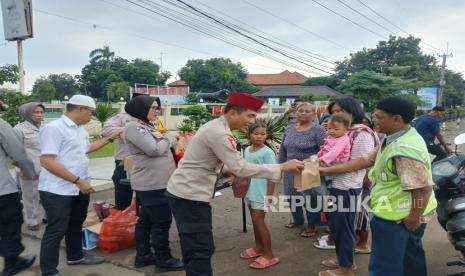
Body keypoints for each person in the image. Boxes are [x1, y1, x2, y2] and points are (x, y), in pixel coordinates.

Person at [166, 92, 304, 276]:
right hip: (190, 197)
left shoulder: (215, 127)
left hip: (187, 193)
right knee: (200, 249)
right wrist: (282, 166)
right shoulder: (219, 133)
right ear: (232, 113)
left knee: (198, 246)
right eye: (250, 116)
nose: (252, 121)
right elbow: (241, 168)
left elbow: (209, 162)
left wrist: (228, 170)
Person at [38, 95, 122, 276]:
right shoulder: (54, 129)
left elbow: (87, 149)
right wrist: (77, 180)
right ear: (79, 109)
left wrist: (110, 138)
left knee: (76, 223)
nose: (91, 116)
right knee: (56, 229)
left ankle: (75, 256)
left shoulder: (80, 130)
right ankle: (48, 270)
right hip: (57, 189)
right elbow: (47, 161)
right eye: (90, 112)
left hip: (79, 187)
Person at [369, 96, 437, 276]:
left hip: (397, 216)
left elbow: (421, 188)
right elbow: (367, 160)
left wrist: (414, 217)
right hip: (403, 213)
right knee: (411, 258)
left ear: (396, 118)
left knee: (384, 266)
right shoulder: (400, 136)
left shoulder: (404, 148)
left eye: (378, 116)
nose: (374, 120)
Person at [317, 97, 378, 276]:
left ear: (353, 112)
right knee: (338, 226)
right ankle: (344, 259)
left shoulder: (362, 133)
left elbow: (361, 162)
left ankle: (346, 269)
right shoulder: (345, 132)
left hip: (348, 187)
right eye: (334, 112)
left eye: (340, 111)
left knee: (344, 228)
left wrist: (326, 170)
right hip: (338, 185)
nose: (336, 115)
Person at [124, 95, 184, 272]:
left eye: (158, 108)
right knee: (161, 222)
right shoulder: (134, 127)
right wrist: (171, 138)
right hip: (153, 184)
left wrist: (165, 137)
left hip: (156, 182)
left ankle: (143, 256)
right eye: (154, 108)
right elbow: (154, 150)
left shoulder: (146, 126)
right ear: (141, 109)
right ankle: (163, 260)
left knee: (147, 221)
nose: (157, 111)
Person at [0, 98, 37, 276]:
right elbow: (18, 153)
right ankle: (11, 263)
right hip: (2, 190)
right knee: (10, 224)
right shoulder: (1, 124)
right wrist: (30, 173)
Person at [279, 102, 327, 237]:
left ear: (313, 114)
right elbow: (283, 149)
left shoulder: (318, 130)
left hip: (308, 170)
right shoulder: (289, 129)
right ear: (296, 112)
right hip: (290, 170)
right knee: (291, 196)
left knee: (311, 199)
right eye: (301, 111)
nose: (303, 113)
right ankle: (297, 220)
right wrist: (281, 166)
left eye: (307, 111)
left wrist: (310, 161)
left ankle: (312, 224)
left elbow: (325, 151)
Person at [239, 122, 280, 269]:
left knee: (259, 221)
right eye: (256, 133)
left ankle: (269, 255)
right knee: (255, 221)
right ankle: (258, 248)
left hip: (262, 194)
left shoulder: (267, 152)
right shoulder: (247, 150)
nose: (259, 136)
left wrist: (269, 196)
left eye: (262, 134)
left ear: (266, 135)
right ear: (249, 135)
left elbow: (274, 175)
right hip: (249, 192)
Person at [14, 102, 45, 231]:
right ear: (27, 113)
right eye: (36, 112)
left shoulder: (47, 126)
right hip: (29, 168)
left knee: (48, 194)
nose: (39, 115)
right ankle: (32, 220)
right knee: (30, 196)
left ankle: (47, 216)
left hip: (47, 167)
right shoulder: (19, 129)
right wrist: (22, 170)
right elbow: (15, 151)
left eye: (41, 112)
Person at [101, 108, 138, 211]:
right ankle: (121, 219)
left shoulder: (152, 118)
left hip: (143, 162)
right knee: (123, 193)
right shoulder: (124, 116)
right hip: (124, 161)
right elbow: (105, 130)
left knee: (142, 198)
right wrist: (126, 129)